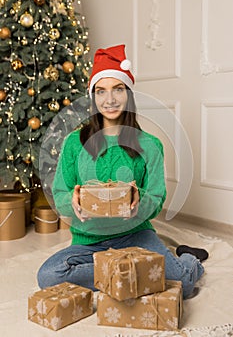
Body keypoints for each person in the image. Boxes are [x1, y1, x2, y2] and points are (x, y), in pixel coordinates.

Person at [37, 44, 208, 299]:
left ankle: (186, 257)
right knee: (49, 275)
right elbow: (61, 192)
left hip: (136, 235)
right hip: (89, 241)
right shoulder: (75, 142)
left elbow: (156, 196)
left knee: (183, 283)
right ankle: (127, 270)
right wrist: (71, 203)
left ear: (128, 94)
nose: (110, 100)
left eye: (118, 89)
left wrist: (140, 203)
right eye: (101, 91)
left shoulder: (150, 144)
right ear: (93, 97)